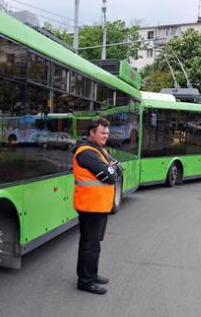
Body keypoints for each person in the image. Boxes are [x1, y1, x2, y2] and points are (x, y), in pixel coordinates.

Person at [72, 117, 122, 295]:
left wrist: (113, 169)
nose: (106, 136)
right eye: (102, 133)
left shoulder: (99, 150)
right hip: (90, 206)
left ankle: (89, 274)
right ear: (92, 133)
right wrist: (113, 169)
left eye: (107, 133)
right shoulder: (87, 152)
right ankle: (86, 281)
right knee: (91, 245)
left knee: (90, 243)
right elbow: (110, 175)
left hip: (98, 206)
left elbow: (116, 167)